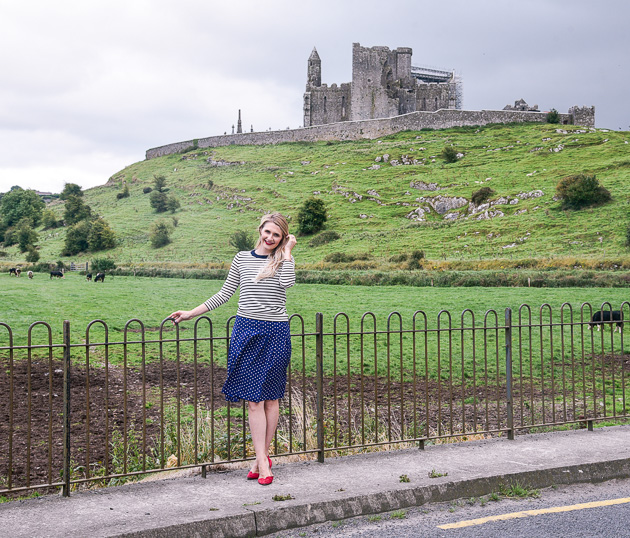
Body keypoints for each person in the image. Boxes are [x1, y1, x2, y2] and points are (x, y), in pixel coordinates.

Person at [169, 213, 297, 486]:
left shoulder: (284, 259)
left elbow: (287, 284)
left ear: (282, 237)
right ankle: (263, 460)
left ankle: (260, 459)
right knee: (254, 400)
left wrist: (287, 252)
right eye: (267, 232)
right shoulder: (242, 258)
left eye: (277, 235)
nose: (270, 238)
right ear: (260, 230)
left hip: (276, 331)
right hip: (247, 331)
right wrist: (191, 312)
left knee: (271, 398)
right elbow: (225, 294)